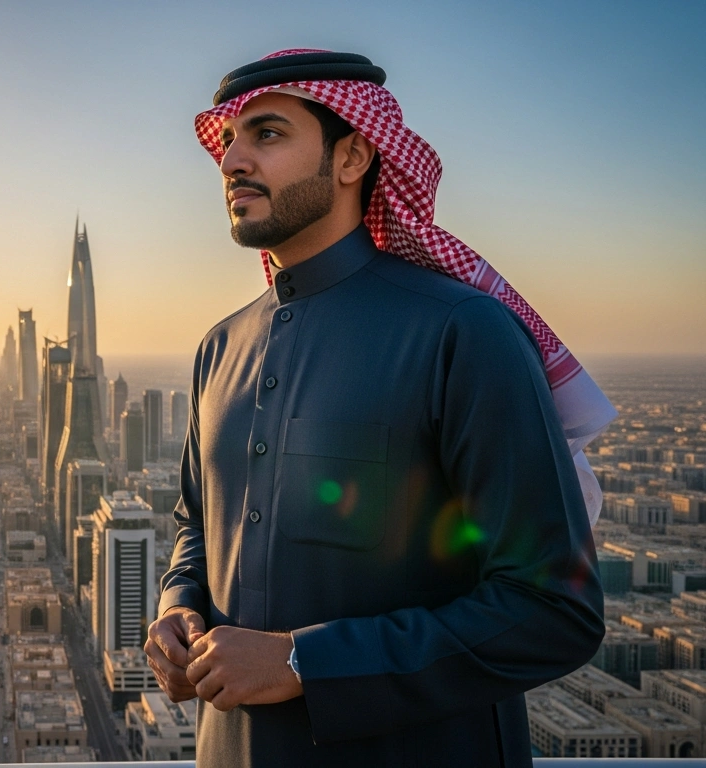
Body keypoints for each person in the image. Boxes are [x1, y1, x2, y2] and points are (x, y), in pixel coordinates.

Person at [144, 49, 612, 767]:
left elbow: (553, 611)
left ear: (354, 155)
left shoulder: (462, 332)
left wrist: (305, 662)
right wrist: (180, 606)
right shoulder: (220, 347)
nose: (232, 160)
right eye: (228, 141)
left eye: (267, 135)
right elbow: (197, 524)